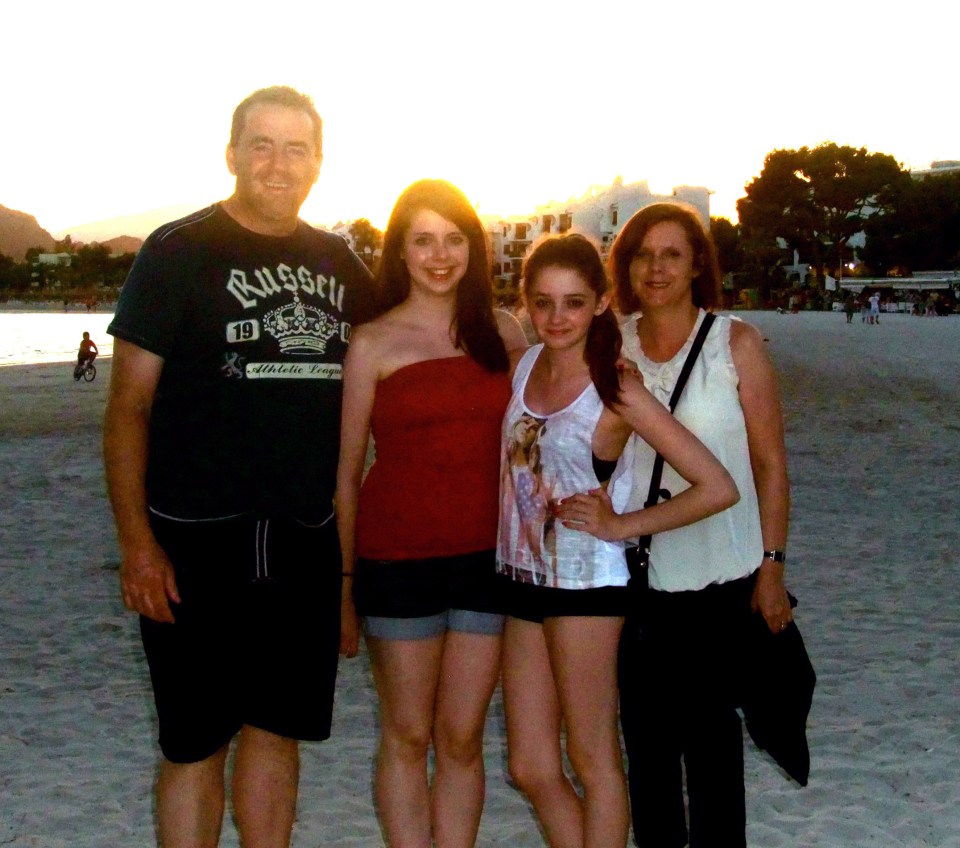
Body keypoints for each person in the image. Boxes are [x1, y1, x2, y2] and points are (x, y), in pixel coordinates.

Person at [103, 86, 372, 848]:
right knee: (193, 744)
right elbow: (127, 408)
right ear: (231, 155)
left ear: (318, 163)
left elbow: (411, 338)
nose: (278, 163)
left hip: (301, 539)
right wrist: (137, 545)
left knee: (277, 734)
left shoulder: (339, 262)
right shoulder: (177, 251)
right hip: (193, 540)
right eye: (261, 144)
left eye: (296, 147)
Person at [497, 233, 740, 848]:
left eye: (574, 303)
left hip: (590, 587)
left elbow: (716, 485)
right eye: (544, 302)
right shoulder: (524, 365)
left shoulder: (616, 386)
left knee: (593, 758)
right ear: (526, 304)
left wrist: (621, 525)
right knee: (529, 765)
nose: (557, 318)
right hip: (522, 579)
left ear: (602, 304)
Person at [335, 179, 527, 848]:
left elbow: (546, 434)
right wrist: (344, 587)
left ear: (472, 249)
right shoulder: (372, 344)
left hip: (487, 561)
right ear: (401, 252)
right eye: (423, 240)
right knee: (408, 733)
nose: (440, 255)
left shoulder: (503, 333)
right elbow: (347, 475)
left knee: (463, 735)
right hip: (397, 563)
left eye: (453, 240)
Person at [607, 202, 793, 848]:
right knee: (649, 768)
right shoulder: (612, 342)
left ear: (696, 267)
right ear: (626, 267)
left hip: (724, 584)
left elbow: (770, 464)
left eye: (671, 255)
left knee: (715, 767)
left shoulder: (734, 343)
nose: (655, 268)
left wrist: (773, 564)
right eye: (642, 255)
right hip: (644, 588)